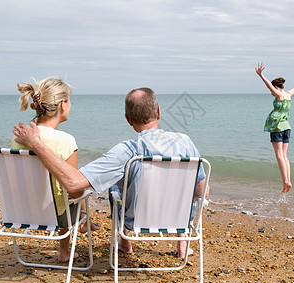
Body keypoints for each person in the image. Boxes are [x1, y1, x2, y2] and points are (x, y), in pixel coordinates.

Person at [12, 87, 209, 259]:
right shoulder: (185, 142)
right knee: (186, 187)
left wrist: (36, 144)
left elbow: (73, 183)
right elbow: (202, 191)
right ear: (158, 112)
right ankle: (182, 242)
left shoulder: (128, 151)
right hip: (179, 219)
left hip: (136, 220)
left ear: (128, 119)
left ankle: (124, 240)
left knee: (116, 186)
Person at [11, 76, 100, 263]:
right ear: (62, 105)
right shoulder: (65, 141)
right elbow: (74, 190)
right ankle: (69, 245)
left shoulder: (19, 137)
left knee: (61, 191)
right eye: (69, 101)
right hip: (56, 215)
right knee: (77, 187)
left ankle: (83, 224)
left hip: (22, 210)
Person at [255, 63, 294, 193]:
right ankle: (288, 180)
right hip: (287, 127)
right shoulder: (289, 95)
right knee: (284, 155)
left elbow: (268, 85)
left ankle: (285, 181)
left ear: (276, 87)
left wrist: (261, 75)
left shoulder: (279, 95)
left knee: (279, 155)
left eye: (272, 90)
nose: (271, 93)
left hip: (277, 127)